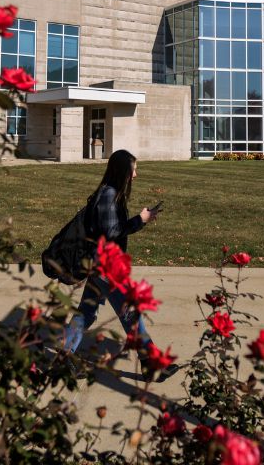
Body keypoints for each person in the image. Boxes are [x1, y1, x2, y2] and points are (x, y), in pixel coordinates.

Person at [62, 149, 177, 380]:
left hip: (103, 264)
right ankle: (152, 363)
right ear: (123, 170)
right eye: (133, 169)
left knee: (86, 312)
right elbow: (112, 230)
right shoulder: (108, 195)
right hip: (106, 267)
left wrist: (141, 220)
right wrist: (140, 220)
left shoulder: (110, 193)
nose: (135, 174)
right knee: (129, 313)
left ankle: (64, 358)